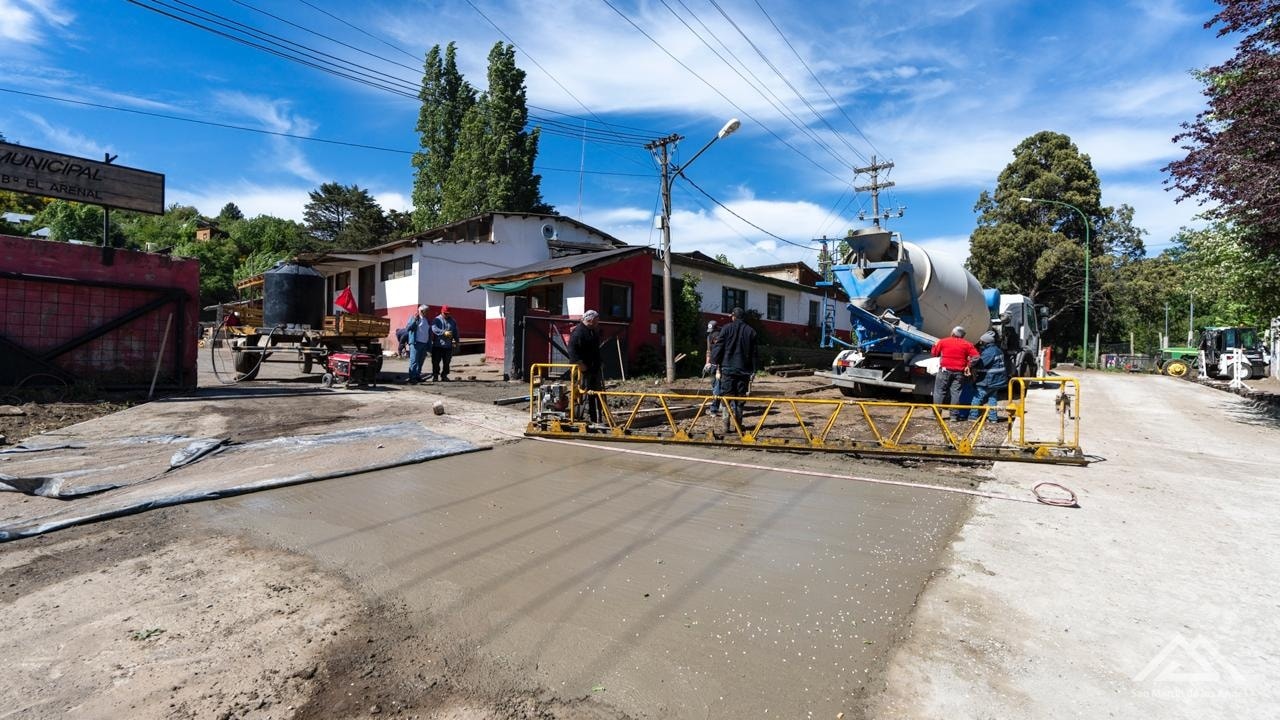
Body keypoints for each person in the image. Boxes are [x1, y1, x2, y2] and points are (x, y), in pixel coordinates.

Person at [710, 307, 758, 430]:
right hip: (744, 370)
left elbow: (718, 346)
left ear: (733, 316)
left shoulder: (726, 328)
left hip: (727, 368)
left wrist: (714, 362)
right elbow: (754, 353)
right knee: (740, 397)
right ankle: (738, 424)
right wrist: (754, 370)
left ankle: (726, 425)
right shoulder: (751, 332)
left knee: (727, 396)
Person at [931, 325, 980, 421]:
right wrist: (968, 366)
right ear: (963, 336)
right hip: (959, 372)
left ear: (952, 333)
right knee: (956, 393)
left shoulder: (943, 341)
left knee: (939, 392)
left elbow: (934, 354)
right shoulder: (967, 344)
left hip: (944, 370)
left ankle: (936, 415)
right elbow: (976, 357)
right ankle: (953, 416)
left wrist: (934, 345)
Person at [567, 309, 603, 423]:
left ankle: (595, 418)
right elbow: (572, 350)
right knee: (580, 393)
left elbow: (596, 350)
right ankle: (577, 417)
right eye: (596, 320)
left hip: (593, 368)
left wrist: (599, 362)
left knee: (594, 394)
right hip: (581, 368)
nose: (598, 322)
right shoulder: (578, 332)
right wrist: (579, 364)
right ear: (591, 320)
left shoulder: (593, 331)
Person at [968, 331, 1009, 422]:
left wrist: (971, 364)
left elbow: (981, 364)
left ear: (986, 342)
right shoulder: (998, 350)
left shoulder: (989, 352)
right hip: (998, 380)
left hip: (988, 380)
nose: (980, 343)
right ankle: (993, 418)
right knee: (992, 398)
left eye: (982, 341)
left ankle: (973, 416)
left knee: (977, 397)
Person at [429, 305, 459, 381]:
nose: (447, 315)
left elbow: (455, 331)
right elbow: (434, 328)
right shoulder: (436, 319)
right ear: (441, 312)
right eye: (445, 313)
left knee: (447, 362)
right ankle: (435, 375)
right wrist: (444, 332)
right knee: (435, 362)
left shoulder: (452, 321)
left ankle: (444, 375)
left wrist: (457, 341)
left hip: (448, 346)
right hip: (438, 345)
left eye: (448, 313)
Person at [404, 305, 432, 384]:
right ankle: (412, 378)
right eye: (426, 311)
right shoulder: (413, 318)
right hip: (415, 343)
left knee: (420, 361)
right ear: (421, 311)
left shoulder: (426, 320)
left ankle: (417, 376)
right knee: (414, 361)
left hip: (424, 343)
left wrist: (429, 344)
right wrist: (415, 320)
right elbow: (408, 328)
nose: (427, 312)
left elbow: (428, 332)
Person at [703, 320, 722, 417]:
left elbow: (721, 353)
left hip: (718, 365)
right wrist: (707, 363)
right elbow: (708, 351)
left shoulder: (720, 336)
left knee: (717, 387)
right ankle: (719, 406)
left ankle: (714, 409)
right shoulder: (709, 336)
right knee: (714, 385)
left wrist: (719, 368)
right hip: (712, 365)